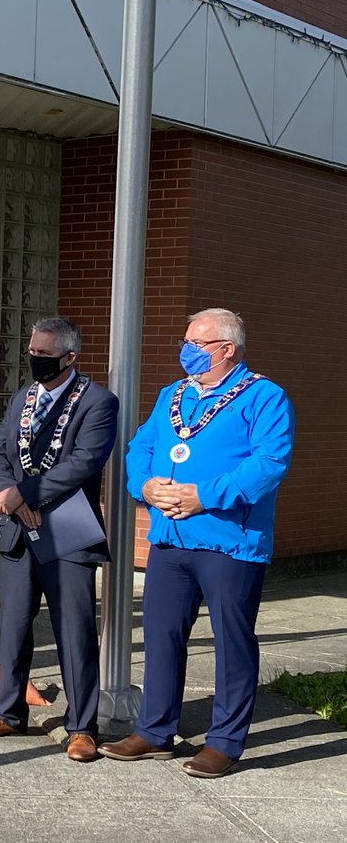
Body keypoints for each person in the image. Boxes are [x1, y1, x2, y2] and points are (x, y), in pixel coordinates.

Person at [100, 308, 294, 778]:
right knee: (162, 637)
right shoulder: (174, 394)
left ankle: (225, 742)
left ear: (227, 349)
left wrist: (204, 496)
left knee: (232, 642)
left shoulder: (265, 396)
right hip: (170, 538)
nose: (185, 350)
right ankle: (154, 731)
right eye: (185, 341)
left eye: (197, 343)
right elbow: (140, 448)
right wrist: (143, 487)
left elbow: (269, 463)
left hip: (230, 541)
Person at [0, 317, 118, 762]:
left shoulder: (98, 402)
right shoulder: (23, 398)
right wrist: (9, 497)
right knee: (13, 626)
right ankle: (7, 712)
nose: (36, 361)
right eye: (32, 352)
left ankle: (82, 727)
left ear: (70, 357)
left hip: (67, 533)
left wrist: (25, 493)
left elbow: (84, 462)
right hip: (17, 532)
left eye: (45, 356)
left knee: (75, 632)